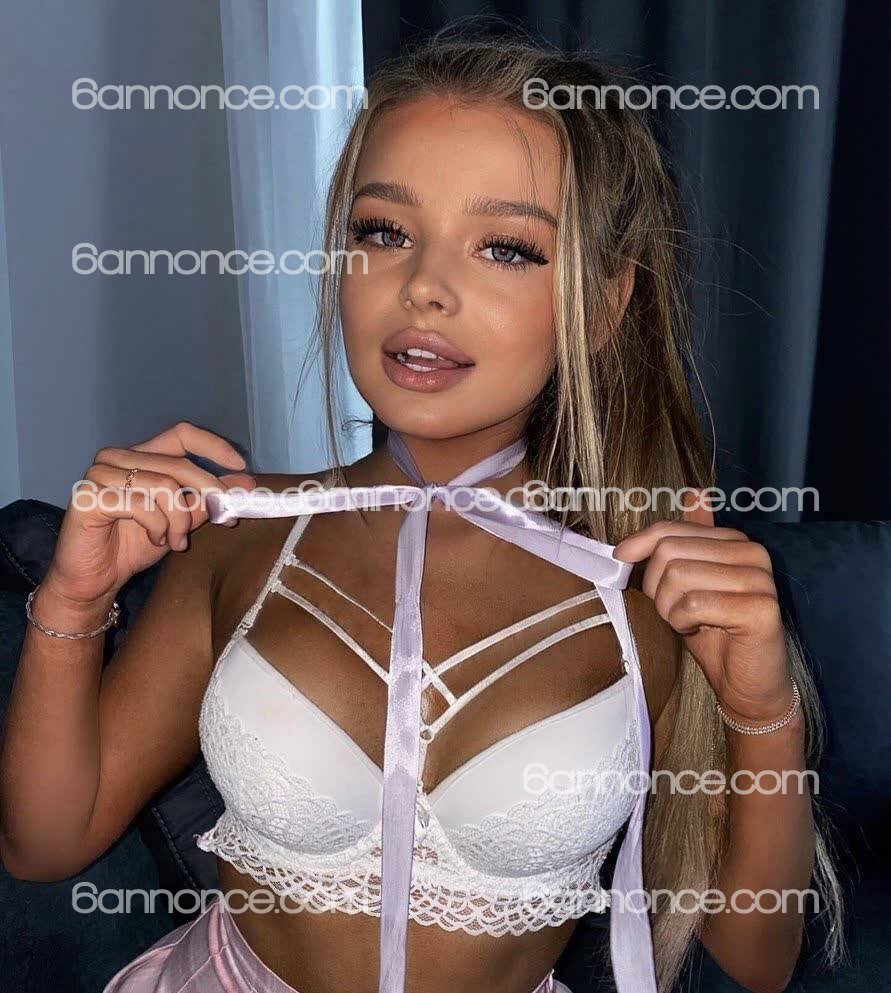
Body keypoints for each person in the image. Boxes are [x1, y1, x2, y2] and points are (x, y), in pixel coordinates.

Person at [0, 31, 843, 993]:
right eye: (384, 232)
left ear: (603, 306)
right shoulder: (244, 535)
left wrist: (761, 710)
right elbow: (45, 841)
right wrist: (72, 602)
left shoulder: (645, 585)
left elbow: (757, 957)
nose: (424, 289)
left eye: (505, 247)